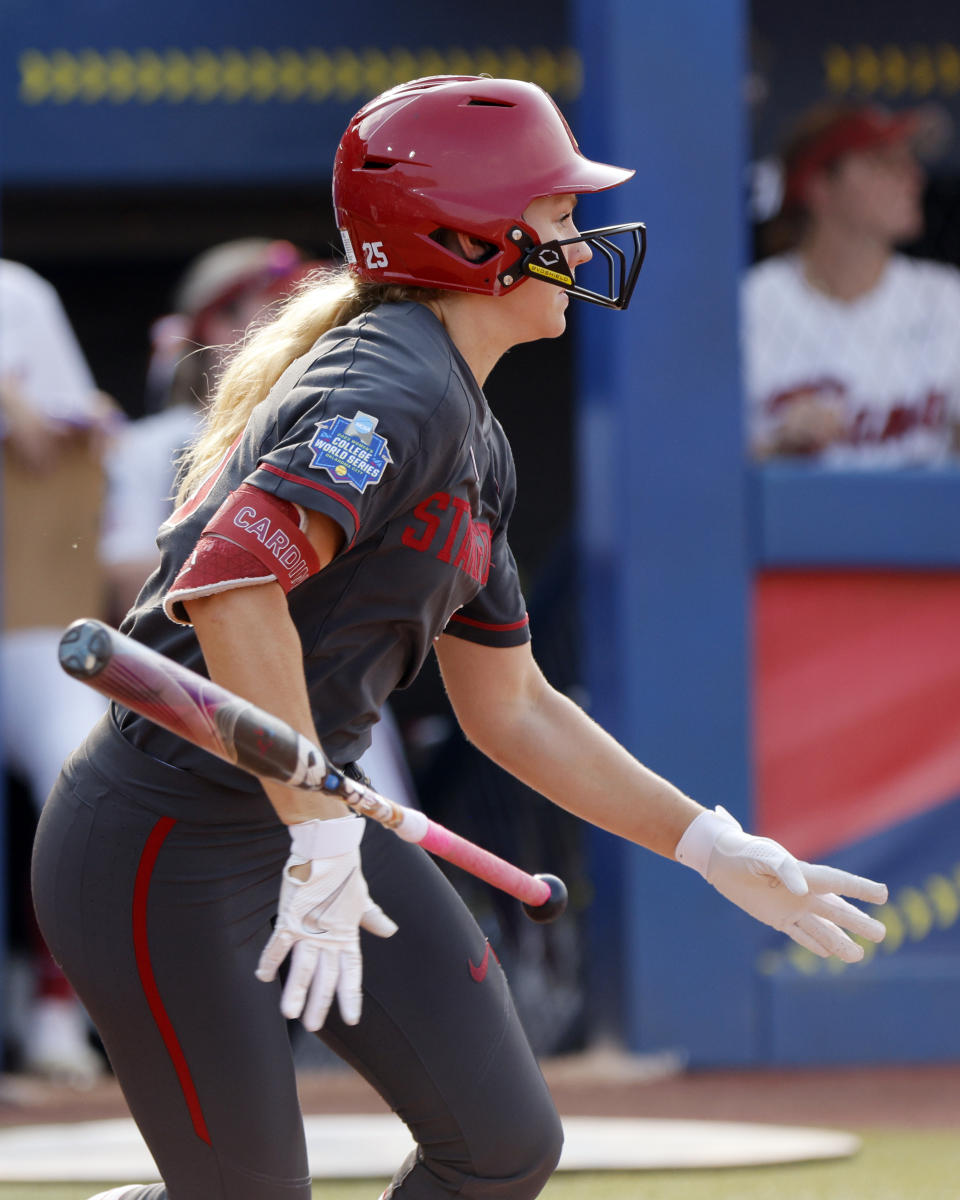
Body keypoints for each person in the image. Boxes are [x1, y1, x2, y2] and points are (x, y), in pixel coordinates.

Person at [32, 76, 888, 1200]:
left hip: (303, 821)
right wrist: (314, 827)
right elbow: (233, 585)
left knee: (502, 1149)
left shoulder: (466, 422)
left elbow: (513, 705)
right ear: (470, 234)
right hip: (163, 837)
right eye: (559, 215)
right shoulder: (390, 385)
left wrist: (710, 848)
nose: (582, 245)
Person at [0, 258, 114, 1084]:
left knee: (83, 786)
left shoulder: (14, 291)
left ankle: (56, 1007)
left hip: (31, 628)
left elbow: (62, 438)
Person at [742, 102, 960, 464]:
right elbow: (695, 469)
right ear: (819, 186)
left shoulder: (946, 299)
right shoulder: (748, 307)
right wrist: (775, 448)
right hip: (795, 517)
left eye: (908, 161)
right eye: (884, 163)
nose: (913, 177)